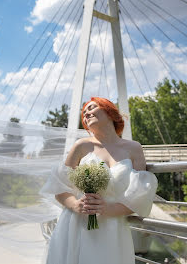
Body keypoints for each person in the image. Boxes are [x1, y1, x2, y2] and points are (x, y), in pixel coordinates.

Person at [40, 97, 158, 264]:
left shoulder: (134, 148)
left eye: (92, 108)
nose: (87, 113)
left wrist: (108, 208)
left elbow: (139, 196)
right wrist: (75, 204)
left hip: (113, 227)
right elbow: (58, 187)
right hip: (77, 224)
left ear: (109, 112)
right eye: (84, 113)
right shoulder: (81, 146)